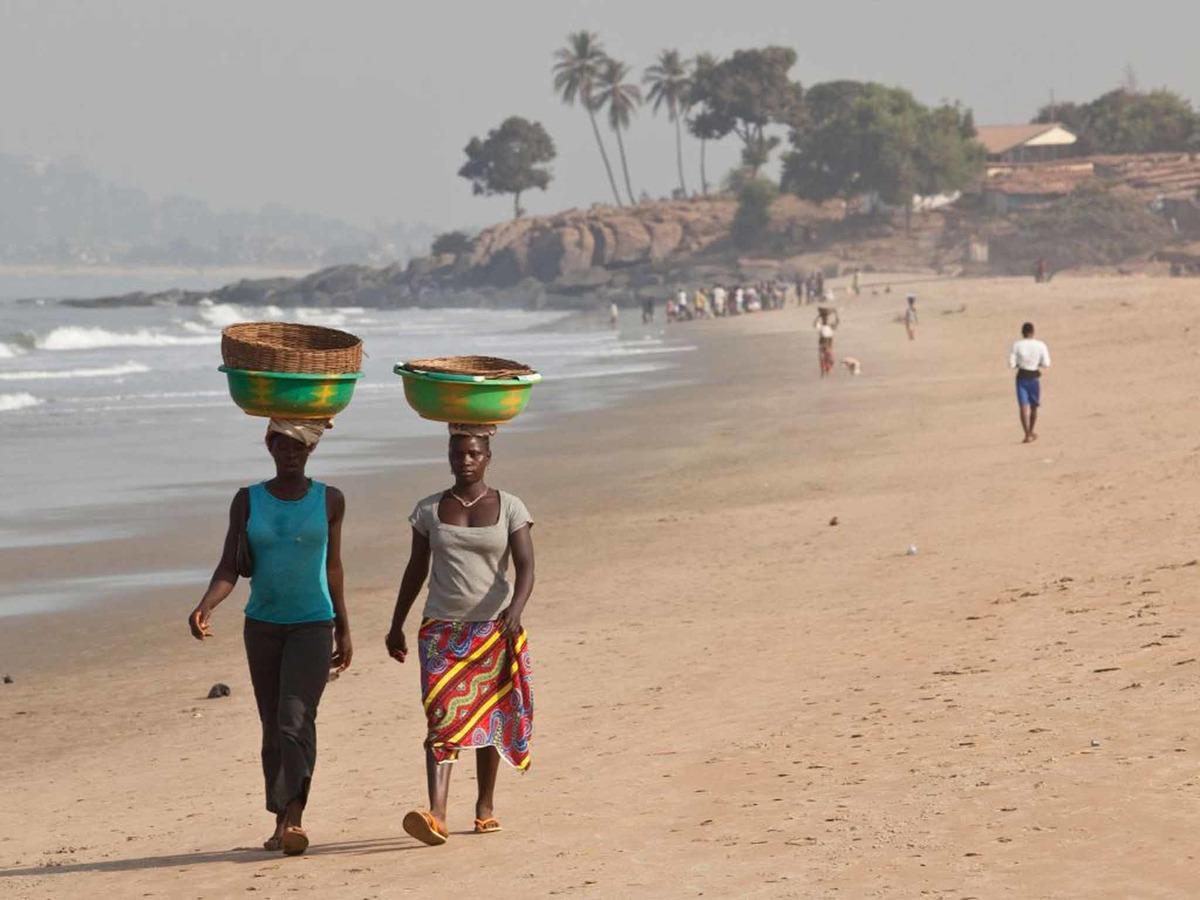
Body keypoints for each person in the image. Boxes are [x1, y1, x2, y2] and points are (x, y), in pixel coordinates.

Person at [188, 418, 352, 857]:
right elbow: (230, 565)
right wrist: (206, 605)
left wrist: (344, 625)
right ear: (270, 445)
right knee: (272, 726)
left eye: (300, 445)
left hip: (313, 624)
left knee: (295, 719)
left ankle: (295, 818)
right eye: (283, 444)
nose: (291, 452)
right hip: (262, 626)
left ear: (310, 450)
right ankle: (281, 818)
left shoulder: (329, 500)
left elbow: (333, 566)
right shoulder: (247, 501)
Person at [386, 426, 535, 846]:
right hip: (441, 633)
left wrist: (516, 611)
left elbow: (526, 565)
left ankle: (484, 807)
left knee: (491, 714)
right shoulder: (430, 510)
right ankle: (436, 814)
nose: (465, 461)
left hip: (493, 629)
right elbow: (415, 570)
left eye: (472, 454)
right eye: (458, 454)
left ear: (488, 457)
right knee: (442, 718)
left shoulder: (510, 507)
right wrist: (396, 622)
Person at [1009, 322, 1051, 443]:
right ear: (1033, 332)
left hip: (1021, 376)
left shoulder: (1016, 345)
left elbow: (1011, 364)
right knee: (1034, 406)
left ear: (1022, 333)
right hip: (1034, 377)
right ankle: (1031, 430)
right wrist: (1036, 363)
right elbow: (1046, 363)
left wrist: (1019, 363)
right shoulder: (1040, 345)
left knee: (1023, 406)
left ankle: (1027, 433)